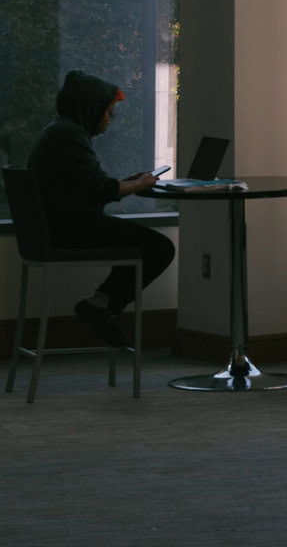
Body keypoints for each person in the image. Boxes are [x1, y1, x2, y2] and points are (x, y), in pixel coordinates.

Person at [26, 70, 175, 348]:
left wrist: (128, 183)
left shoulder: (59, 132)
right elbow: (101, 190)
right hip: (72, 230)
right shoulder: (70, 136)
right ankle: (101, 306)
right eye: (108, 111)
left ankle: (101, 304)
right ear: (90, 108)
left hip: (53, 229)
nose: (109, 119)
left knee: (137, 241)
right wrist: (139, 184)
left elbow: (88, 185)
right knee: (160, 248)